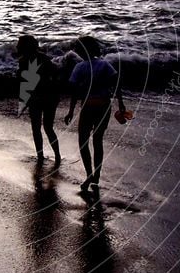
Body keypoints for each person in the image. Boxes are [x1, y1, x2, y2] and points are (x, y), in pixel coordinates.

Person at [64, 36, 126, 193]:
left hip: (88, 107)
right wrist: (120, 103)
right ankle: (96, 174)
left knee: (83, 143)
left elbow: (75, 92)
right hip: (104, 106)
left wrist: (71, 111)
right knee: (97, 141)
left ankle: (89, 174)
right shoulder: (105, 64)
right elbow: (116, 83)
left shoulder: (79, 67)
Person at [17, 34, 62, 165]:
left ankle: (40, 156)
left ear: (24, 46)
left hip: (35, 97)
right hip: (50, 96)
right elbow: (55, 74)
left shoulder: (23, 61)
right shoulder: (44, 58)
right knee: (48, 128)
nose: (16, 46)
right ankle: (57, 155)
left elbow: (24, 83)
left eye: (19, 44)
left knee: (36, 128)